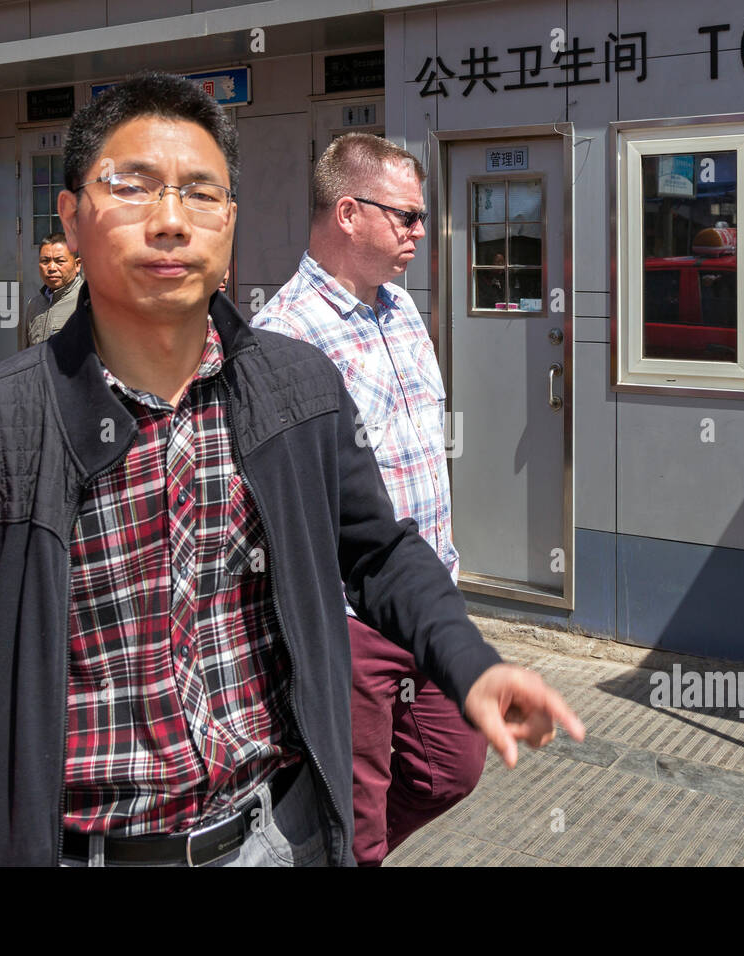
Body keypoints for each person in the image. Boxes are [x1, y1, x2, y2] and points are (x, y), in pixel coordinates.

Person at [0, 72, 583, 868]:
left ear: (231, 221)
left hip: (274, 837)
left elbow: (378, 550)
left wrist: (471, 664)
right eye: (131, 187)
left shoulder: (295, 391)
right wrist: (10, 790)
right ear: (70, 216)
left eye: (201, 193)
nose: (171, 221)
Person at [253, 133, 484, 866]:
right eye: (407, 217)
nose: (420, 232)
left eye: (422, 217)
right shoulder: (282, 337)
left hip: (428, 595)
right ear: (348, 213)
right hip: (348, 619)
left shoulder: (402, 310)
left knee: (454, 767)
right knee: (357, 816)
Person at [18, 232, 83, 348]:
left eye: (60, 261)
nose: (52, 268)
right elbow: (25, 354)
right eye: (45, 261)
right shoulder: (34, 305)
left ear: (77, 265)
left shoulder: (87, 301)